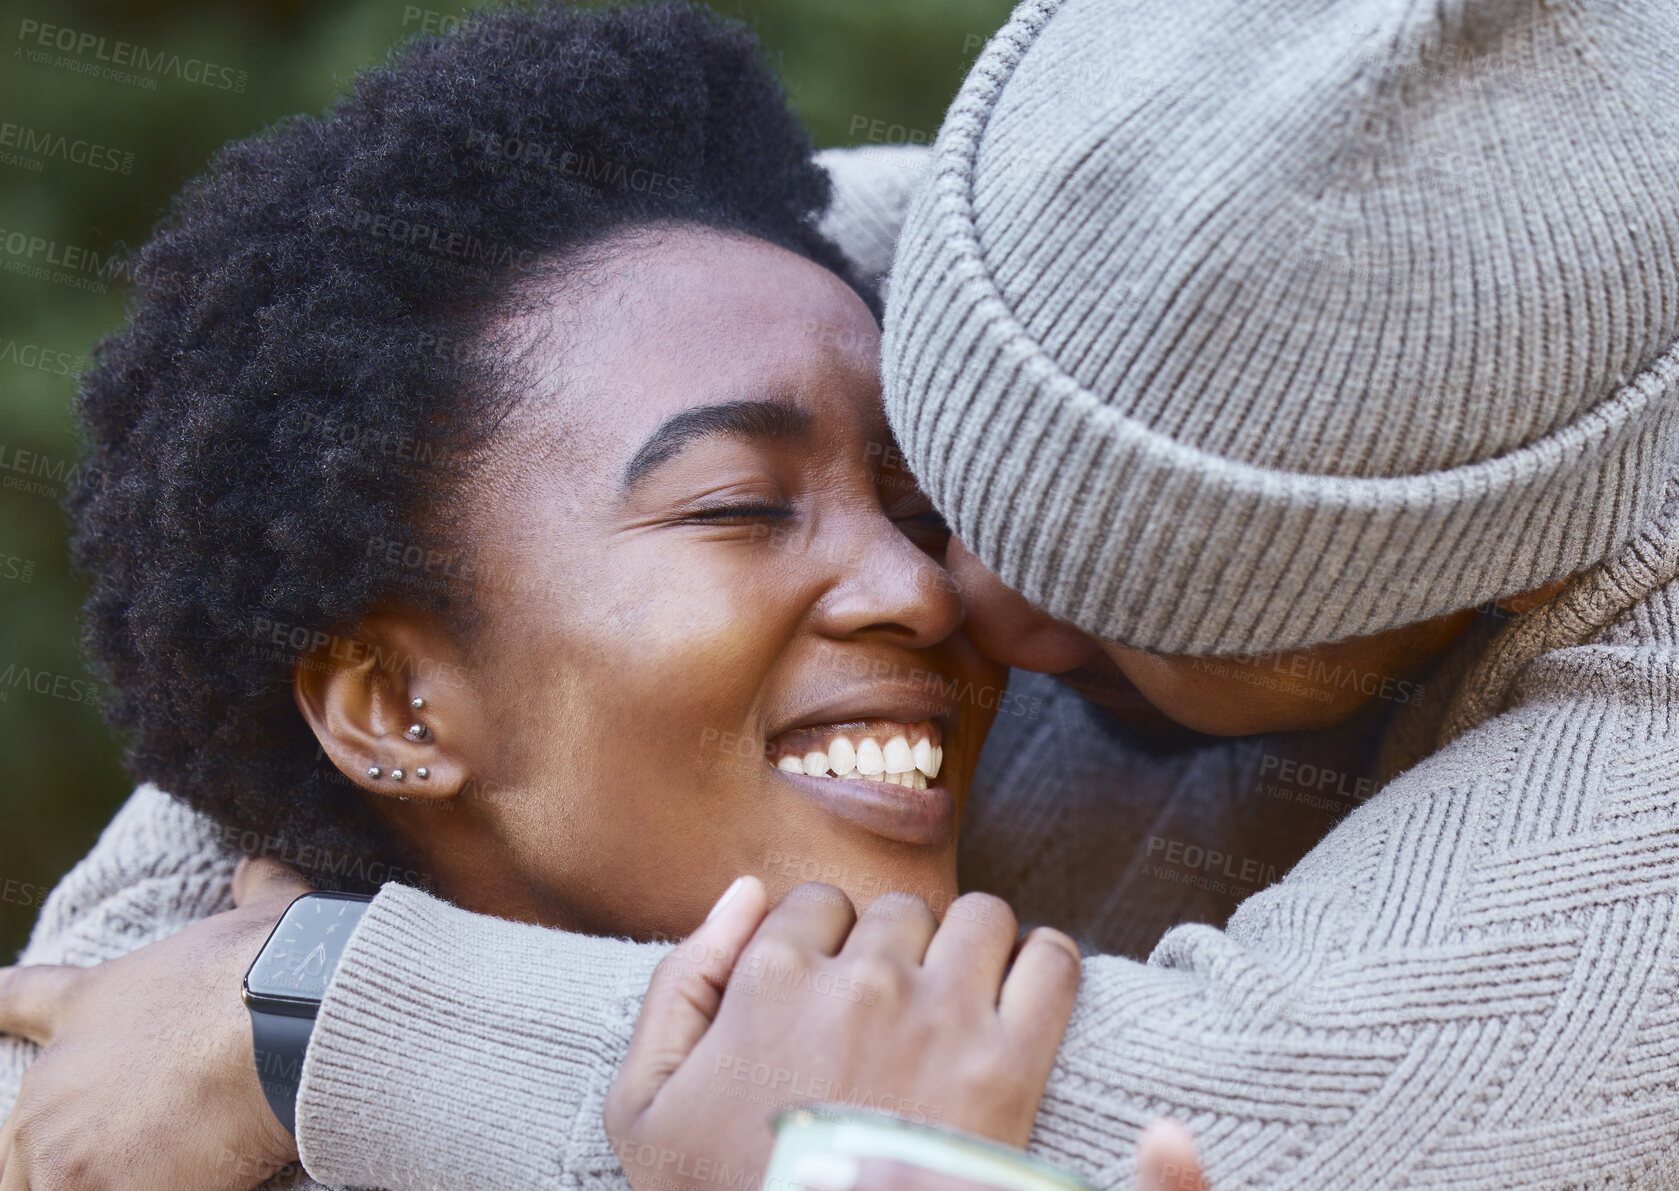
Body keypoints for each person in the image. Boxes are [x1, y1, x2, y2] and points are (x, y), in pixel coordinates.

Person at [8, 0, 1679, 1186]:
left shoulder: (1637, 674)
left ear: (1492, 559)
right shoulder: (871, 281)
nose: (962, 596)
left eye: (1153, 596)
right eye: (956, 461)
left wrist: (310, 1017)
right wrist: (164, 965)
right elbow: (335, 520)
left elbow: (1296, 1126)